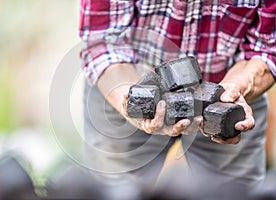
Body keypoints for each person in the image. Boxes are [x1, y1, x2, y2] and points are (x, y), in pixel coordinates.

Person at [79, 0, 276, 190]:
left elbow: (267, 48)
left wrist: (233, 90)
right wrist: (131, 101)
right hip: (126, 82)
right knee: (114, 192)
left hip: (228, 96)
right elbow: (103, 43)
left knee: (234, 194)